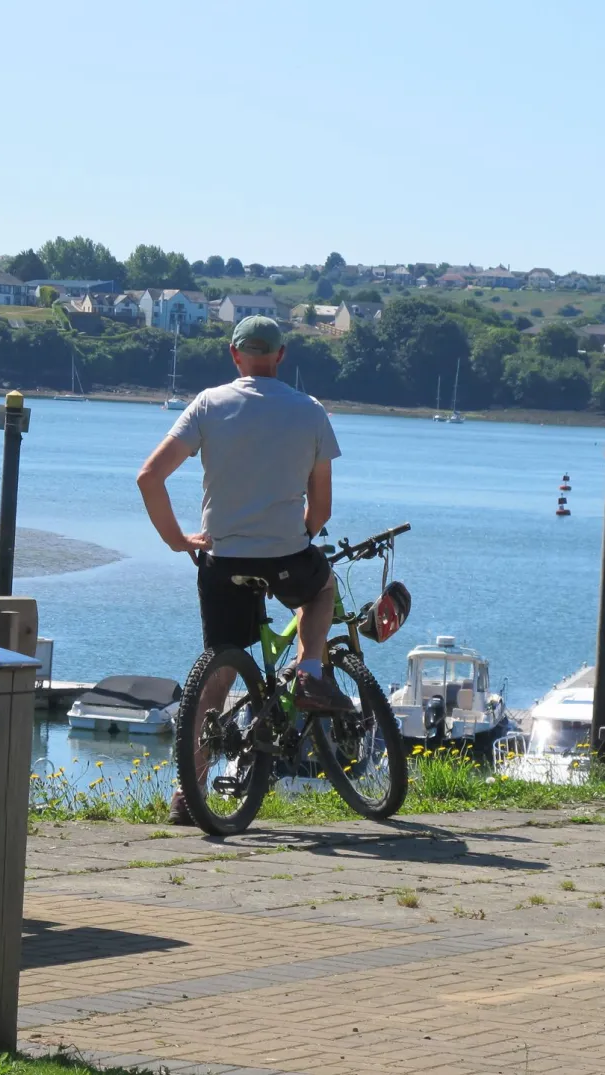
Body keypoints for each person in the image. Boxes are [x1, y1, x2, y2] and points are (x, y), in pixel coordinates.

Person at [137, 315, 352, 823]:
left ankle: (188, 795)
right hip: (284, 556)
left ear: (234, 356)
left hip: (222, 557)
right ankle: (309, 671)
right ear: (280, 356)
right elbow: (320, 511)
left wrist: (176, 540)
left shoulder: (209, 404)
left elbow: (150, 477)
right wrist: (296, 532)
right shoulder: (311, 412)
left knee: (220, 664)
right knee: (321, 589)